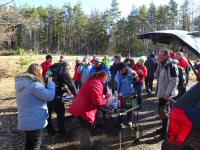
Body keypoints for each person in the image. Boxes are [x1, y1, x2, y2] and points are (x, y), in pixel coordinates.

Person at [15, 64, 55, 150]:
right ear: (37, 72)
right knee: (35, 144)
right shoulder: (35, 85)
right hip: (35, 120)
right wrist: (51, 84)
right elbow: (49, 96)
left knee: (29, 142)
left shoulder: (22, 83)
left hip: (25, 119)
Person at [68, 71, 109, 150]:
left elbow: (96, 96)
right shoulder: (96, 83)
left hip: (81, 107)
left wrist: (103, 97)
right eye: (106, 79)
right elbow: (97, 101)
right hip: (85, 110)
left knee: (85, 129)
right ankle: (85, 146)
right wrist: (105, 101)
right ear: (103, 77)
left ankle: (86, 145)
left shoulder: (93, 82)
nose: (106, 81)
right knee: (86, 130)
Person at [45, 60, 77, 136]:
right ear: (67, 65)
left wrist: (65, 89)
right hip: (55, 94)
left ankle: (50, 131)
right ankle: (62, 132)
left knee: (48, 113)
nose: (70, 69)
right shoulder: (63, 70)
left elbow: (53, 80)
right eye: (70, 67)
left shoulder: (51, 69)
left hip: (46, 93)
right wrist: (76, 95)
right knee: (60, 112)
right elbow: (71, 84)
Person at [156, 49, 179, 138]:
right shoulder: (162, 64)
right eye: (159, 55)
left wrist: (168, 94)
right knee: (162, 111)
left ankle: (166, 131)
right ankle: (164, 128)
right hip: (162, 92)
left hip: (166, 94)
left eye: (161, 55)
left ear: (166, 56)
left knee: (164, 111)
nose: (159, 57)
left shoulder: (171, 65)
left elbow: (174, 81)